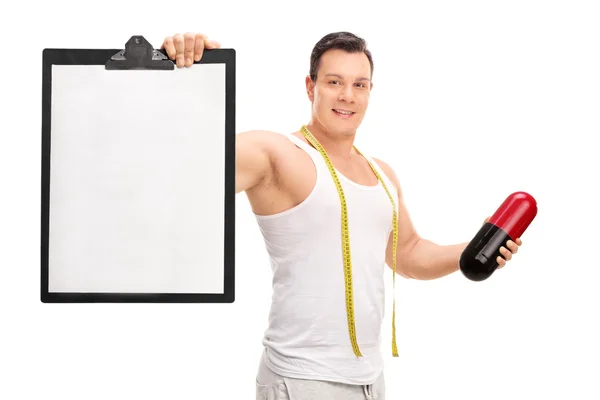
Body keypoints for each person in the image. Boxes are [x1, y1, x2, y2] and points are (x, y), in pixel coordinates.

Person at [161, 31, 523, 400]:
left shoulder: (382, 174)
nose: (347, 95)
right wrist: (177, 74)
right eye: (334, 82)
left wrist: (475, 246)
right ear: (310, 86)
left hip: (370, 380)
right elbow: (187, 167)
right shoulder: (276, 152)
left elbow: (409, 253)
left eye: (359, 84)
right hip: (301, 379)